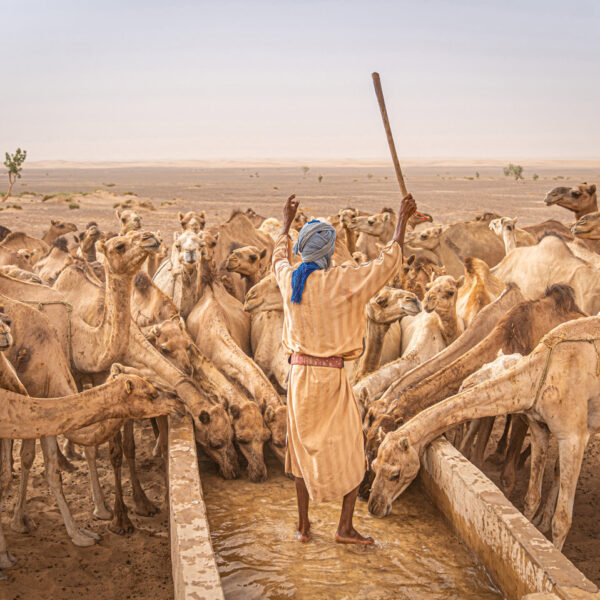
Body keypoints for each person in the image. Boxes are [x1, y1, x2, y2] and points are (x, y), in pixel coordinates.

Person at [272, 193, 417, 544]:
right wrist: (401, 220)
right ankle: (344, 527)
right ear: (327, 252)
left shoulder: (290, 279)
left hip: (299, 377)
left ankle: (304, 527)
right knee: (353, 449)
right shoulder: (344, 281)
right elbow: (387, 264)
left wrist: (285, 222)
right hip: (332, 379)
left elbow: (277, 256)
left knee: (301, 450)